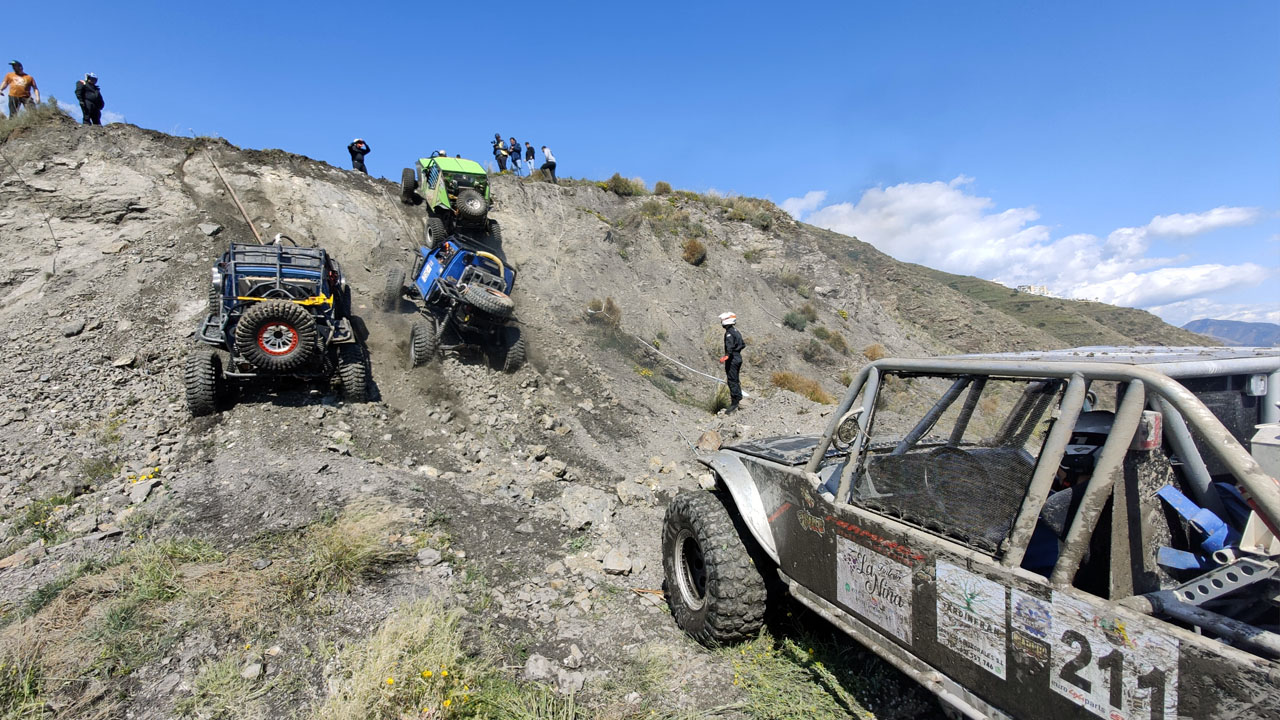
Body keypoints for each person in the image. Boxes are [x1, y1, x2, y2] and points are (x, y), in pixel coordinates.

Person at [718, 312, 744, 412]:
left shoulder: (729, 333)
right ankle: (739, 400)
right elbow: (742, 344)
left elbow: (729, 346)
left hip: (732, 359)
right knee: (735, 379)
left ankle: (735, 403)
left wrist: (727, 356)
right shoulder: (736, 331)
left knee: (732, 380)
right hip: (738, 357)